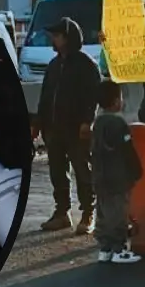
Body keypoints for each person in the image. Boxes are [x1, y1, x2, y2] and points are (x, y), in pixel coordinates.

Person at [32, 16, 101, 233]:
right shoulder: (53, 65)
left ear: (67, 37)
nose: (53, 39)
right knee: (57, 171)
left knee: (82, 170)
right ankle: (62, 212)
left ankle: (88, 214)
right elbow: (46, 97)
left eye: (57, 36)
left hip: (76, 128)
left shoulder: (86, 64)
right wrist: (37, 123)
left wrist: (87, 121)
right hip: (54, 128)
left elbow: (93, 96)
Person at [91, 80, 144, 264]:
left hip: (100, 177)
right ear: (115, 101)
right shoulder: (118, 124)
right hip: (118, 177)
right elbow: (127, 150)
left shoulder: (97, 123)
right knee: (118, 214)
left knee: (104, 213)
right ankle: (119, 249)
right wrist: (137, 171)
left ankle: (104, 248)